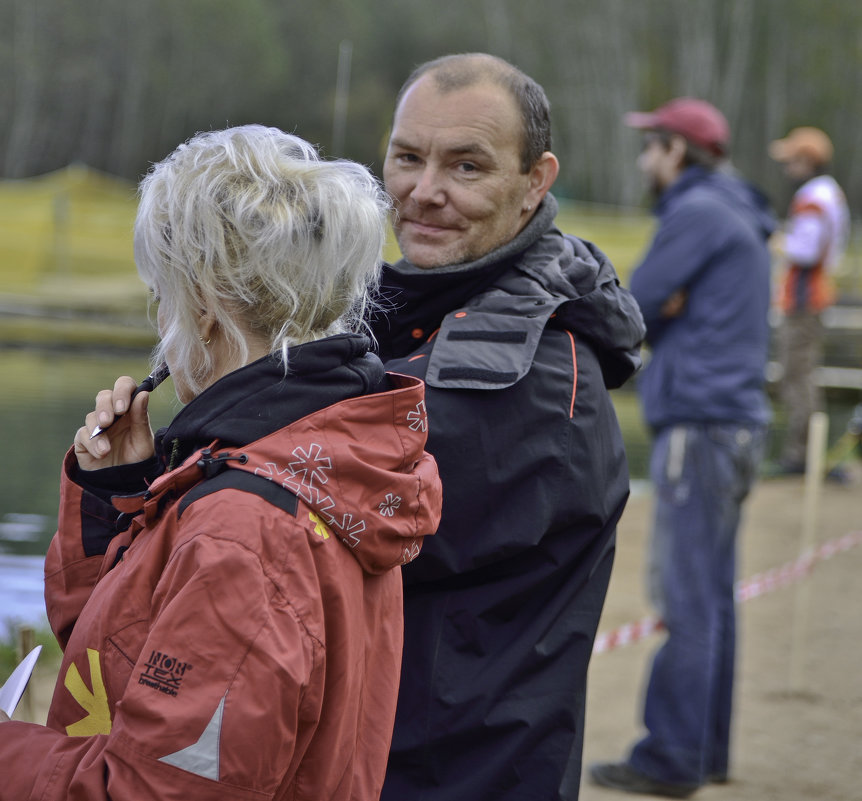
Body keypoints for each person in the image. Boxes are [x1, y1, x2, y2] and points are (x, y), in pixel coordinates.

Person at [0, 125, 442, 801]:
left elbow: (152, 791)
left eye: (162, 297)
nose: (162, 323)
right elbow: (129, 666)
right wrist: (116, 493)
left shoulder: (246, 529)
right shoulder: (320, 457)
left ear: (203, 309)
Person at [369, 53, 646, 801]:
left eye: (466, 167)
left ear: (535, 183)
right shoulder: (420, 316)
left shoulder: (532, 370)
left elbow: (313, 521)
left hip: (456, 774)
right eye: (407, 158)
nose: (424, 193)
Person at [589, 99, 775, 798]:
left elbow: (630, 307)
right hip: (736, 423)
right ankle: (706, 750)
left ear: (678, 152)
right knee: (714, 597)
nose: (644, 160)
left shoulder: (694, 214)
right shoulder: (739, 211)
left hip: (697, 426)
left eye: (652, 146)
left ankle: (670, 756)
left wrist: (663, 313)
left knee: (686, 596)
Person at [768, 126, 850, 474]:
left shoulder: (814, 198)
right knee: (800, 374)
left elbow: (806, 250)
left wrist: (773, 240)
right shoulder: (826, 193)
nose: (787, 168)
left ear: (807, 161)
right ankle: (805, 452)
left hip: (804, 299)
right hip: (811, 296)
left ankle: (802, 455)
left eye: (792, 160)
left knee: (797, 375)